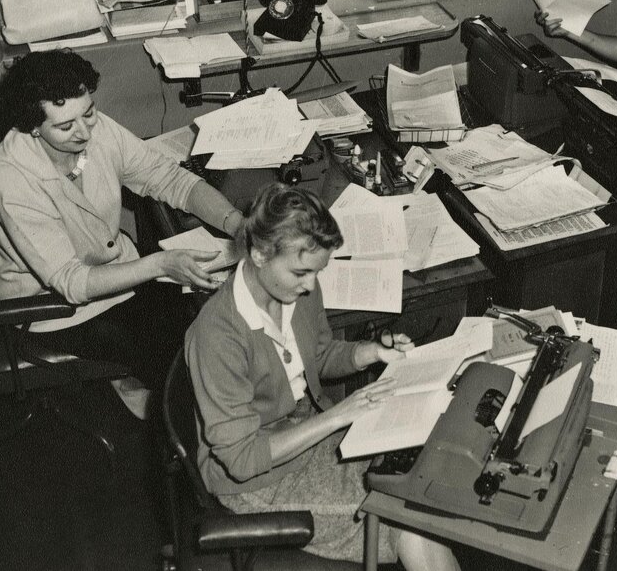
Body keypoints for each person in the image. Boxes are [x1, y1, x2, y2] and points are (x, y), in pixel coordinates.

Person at [185, 184, 460, 569]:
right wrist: (336, 417)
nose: (311, 286)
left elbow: (317, 355)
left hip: (309, 430)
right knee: (407, 514)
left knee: (421, 478)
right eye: (301, 272)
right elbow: (242, 459)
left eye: (316, 272)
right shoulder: (217, 335)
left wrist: (370, 352)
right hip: (259, 479)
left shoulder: (294, 290)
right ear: (260, 254)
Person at [0, 50, 244, 404]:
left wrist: (236, 222)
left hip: (116, 272)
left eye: (88, 113)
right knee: (184, 362)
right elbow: (73, 282)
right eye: (65, 126)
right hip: (54, 306)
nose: (85, 131)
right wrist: (161, 265)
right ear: (33, 127)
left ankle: (146, 391)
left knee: (208, 323)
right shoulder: (9, 178)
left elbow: (166, 177)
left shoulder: (94, 130)